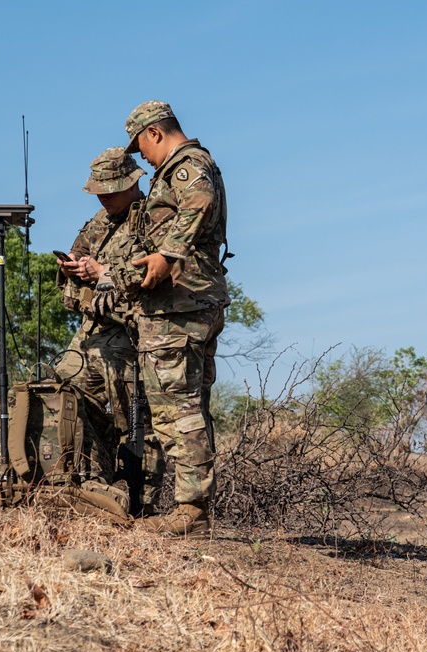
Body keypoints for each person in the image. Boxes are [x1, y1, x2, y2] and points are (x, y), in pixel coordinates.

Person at [121, 100, 230, 537]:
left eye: (141, 148)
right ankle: (194, 508)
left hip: (181, 305)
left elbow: (199, 201)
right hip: (190, 301)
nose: (142, 158)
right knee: (189, 406)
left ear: (154, 133)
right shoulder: (187, 165)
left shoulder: (187, 165)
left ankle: (192, 512)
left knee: (176, 409)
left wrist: (167, 254)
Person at [55, 147, 165, 512]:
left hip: (133, 333)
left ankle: (142, 504)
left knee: (133, 422)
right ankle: (74, 482)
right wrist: (72, 271)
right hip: (91, 333)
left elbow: (158, 276)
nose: (103, 196)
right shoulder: (96, 225)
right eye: (98, 190)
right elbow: (70, 284)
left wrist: (104, 273)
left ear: (132, 182)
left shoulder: (154, 219)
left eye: (110, 189)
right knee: (61, 398)